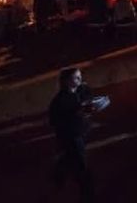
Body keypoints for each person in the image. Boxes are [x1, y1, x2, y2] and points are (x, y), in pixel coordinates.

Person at [48, 67, 101, 202]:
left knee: (69, 157)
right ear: (66, 81)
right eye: (75, 78)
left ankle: (59, 172)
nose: (79, 80)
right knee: (81, 164)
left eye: (80, 76)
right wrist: (75, 114)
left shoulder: (81, 90)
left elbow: (88, 97)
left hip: (81, 131)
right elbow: (55, 120)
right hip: (71, 135)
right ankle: (87, 193)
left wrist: (91, 104)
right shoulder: (60, 100)